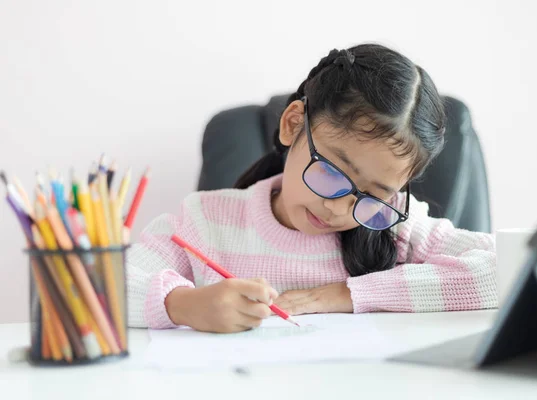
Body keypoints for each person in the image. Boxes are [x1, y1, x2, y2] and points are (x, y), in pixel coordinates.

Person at [126, 43, 497, 333]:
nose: (339, 209)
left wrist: (351, 295)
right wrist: (184, 304)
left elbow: (502, 270)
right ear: (292, 125)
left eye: (372, 195)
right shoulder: (205, 220)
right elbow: (103, 287)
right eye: (333, 173)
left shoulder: (398, 227)